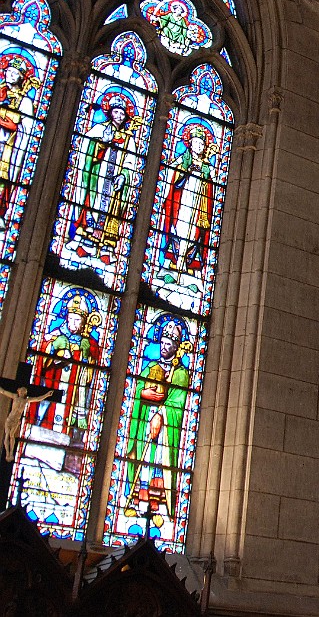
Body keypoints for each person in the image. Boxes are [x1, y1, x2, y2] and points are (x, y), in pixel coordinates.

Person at [124, 315, 191, 525]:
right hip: (145, 421)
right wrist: (143, 395)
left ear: (176, 347)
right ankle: (138, 500)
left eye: (169, 344)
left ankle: (157, 506)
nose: (164, 347)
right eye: (162, 342)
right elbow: (137, 390)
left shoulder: (179, 373)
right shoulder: (151, 367)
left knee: (158, 462)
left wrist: (162, 415)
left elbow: (178, 400)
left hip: (164, 428)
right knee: (143, 461)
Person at [72, 90, 140, 251]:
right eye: (116, 112)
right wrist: (102, 143)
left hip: (114, 182)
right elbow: (86, 150)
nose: (119, 116)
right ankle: (86, 235)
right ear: (110, 113)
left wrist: (124, 175)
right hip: (98, 176)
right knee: (92, 203)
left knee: (110, 210)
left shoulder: (128, 138)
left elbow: (131, 161)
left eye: (122, 113)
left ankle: (106, 243)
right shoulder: (99, 129)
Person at [32, 290, 101, 433]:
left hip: (72, 396)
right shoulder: (56, 336)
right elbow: (41, 362)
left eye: (77, 320)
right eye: (70, 319)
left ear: (84, 323)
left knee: (66, 425)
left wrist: (87, 356)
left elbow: (90, 378)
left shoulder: (89, 344)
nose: (72, 324)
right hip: (52, 387)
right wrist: (54, 348)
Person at [158, 123, 216, 276]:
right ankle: (175, 260)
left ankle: (186, 262)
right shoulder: (181, 160)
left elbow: (211, 187)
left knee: (194, 234)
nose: (198, 146)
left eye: (201, 144)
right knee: (179, 229)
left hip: (197, 205)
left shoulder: (206, 167)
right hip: (182, 202)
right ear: (190, 144)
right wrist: (184, 172)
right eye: (196, 142)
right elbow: (171, 175)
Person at [0, 50, 39, 226]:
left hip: (9, 146)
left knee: (4, 176)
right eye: (9, 71)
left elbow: (28, 128)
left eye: (15, 73)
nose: (11, 75)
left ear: (22, 77)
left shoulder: (25, 102)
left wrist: (12, 125)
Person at [0, 386, 53, 460]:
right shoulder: (15, 397)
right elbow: (3, 391)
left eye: (24, 392)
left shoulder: (26, 400)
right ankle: (7, 454)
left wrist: (47, 395)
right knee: (7, 435)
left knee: (11, 436)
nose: (22, 393)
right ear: (18, 391)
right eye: (21, 391)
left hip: (16, 421)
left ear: (25, 394)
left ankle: (11, 453)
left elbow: (37, 399)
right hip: (10, 419)